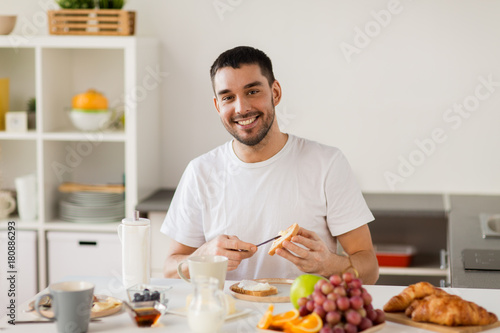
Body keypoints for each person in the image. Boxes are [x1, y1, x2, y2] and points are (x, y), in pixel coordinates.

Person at [161, 46, 379, 284]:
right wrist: (201, 257)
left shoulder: (327, 163)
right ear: (217, 106)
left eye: (252, 91)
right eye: (228, 97)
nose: (241, 108)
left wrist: (329, 264)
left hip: (303, 317)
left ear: (275, 92)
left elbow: (369, 270)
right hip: (227, 316)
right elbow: (171, 269)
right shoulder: (200, 172)